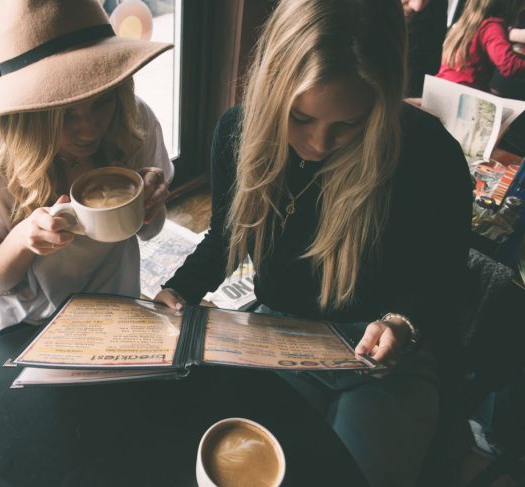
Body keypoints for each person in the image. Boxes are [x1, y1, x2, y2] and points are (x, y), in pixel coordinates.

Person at [155, 0, 473, 486]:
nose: (319, 145)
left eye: (348, 124)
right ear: (270, 89)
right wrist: (181, 288)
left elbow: (443, 279)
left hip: (386, 365)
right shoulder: (236, 133)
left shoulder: (429, 155)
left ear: (382, 101)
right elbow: (227, 236)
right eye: (300, 117)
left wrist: (402, 323)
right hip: (277, 339)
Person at [0, 0, 173, 355]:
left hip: (113, 314)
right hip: (19, 327)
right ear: (26, 111)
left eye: (102, 100)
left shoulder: (132, 121)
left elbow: (149, 232)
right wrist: (23, 239)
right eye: (64, 115)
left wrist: (153, 204)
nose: (90, 129)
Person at [437, 0, 525, 92]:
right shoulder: (492, 26)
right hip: (462, 90)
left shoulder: (467, 23)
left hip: (442, 85)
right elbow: (510, 66)